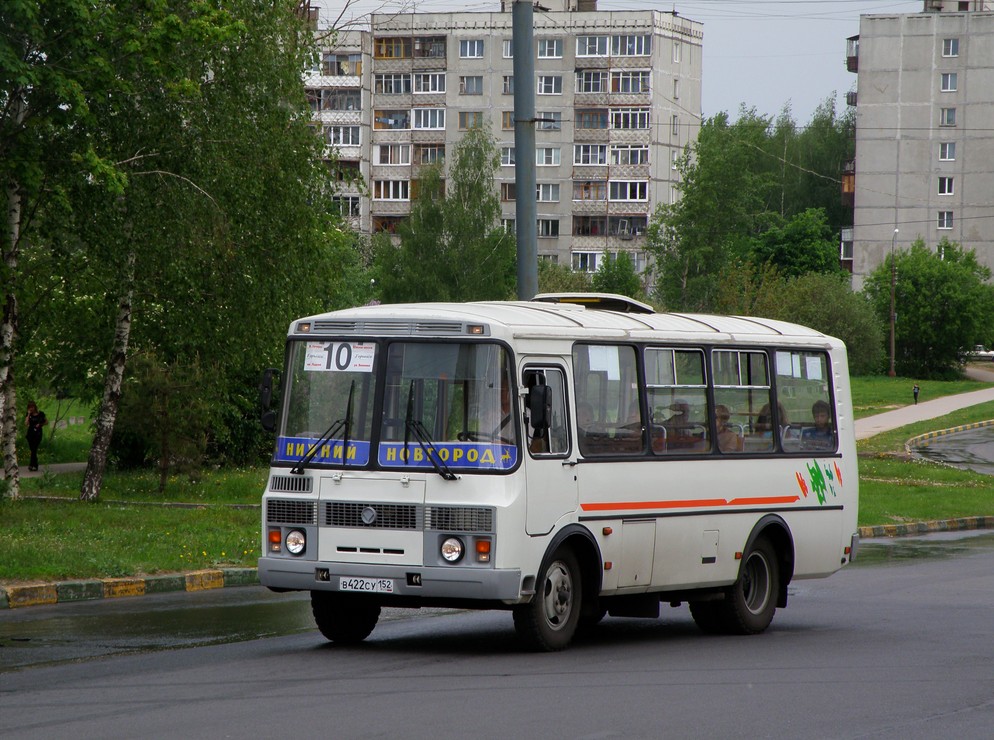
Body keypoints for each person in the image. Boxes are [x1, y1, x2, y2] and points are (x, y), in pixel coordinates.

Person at [24, 401, 47, 471]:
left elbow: (46, 422)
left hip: (38, 433)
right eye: (30, 407)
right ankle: (34, 465)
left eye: (32, 407)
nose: (31, 409)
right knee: (32, 450)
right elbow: (26, 423)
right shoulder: (29, 415)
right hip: (30, 434)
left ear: (35, 407)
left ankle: (31, 465)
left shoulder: (40, 414)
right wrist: (28, 414)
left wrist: (40, 425)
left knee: (34, 449)